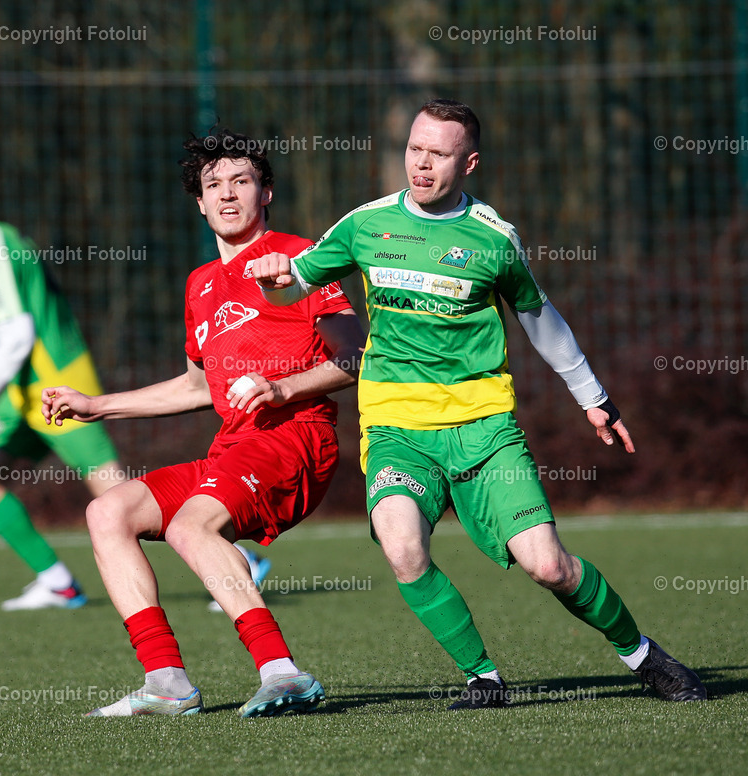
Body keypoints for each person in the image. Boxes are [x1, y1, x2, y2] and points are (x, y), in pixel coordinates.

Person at [252, 99, 706, 708]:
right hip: (395, 425)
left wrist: (592, 397)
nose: (421, 163)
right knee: (403, 546)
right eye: (415, 149)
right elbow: (295, 289)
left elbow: (541, 320)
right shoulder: (365, 224)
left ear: (469, 164)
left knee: (549, 567)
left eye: (438, 154)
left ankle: (643, 655)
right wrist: (274, 277)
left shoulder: (494, 238)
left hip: (484, 428)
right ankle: (483, 678)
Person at [41, 129, 365, 717]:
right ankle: (166, 682)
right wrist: (97, 404)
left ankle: (283, 674)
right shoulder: (199, 285)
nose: (227, 194)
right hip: (234, 447)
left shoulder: (299, 256)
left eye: (241, 180)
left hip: (297, 436)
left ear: (265, 191)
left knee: (192, 527)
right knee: (107, 511)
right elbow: (196, 387)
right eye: (213, 185)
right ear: (199, 202)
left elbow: (354, 358)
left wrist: (280, 387)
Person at [0, 161, 126, 611]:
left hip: (58, 385)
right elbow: (3, 322)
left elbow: (17, 335)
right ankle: (58, 582)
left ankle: (236, 562)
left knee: (122, 498)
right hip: (26, 386)